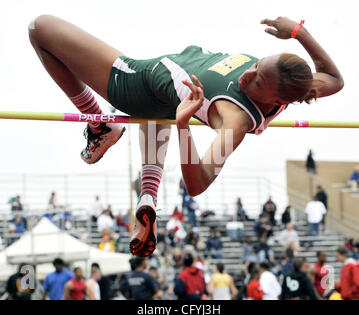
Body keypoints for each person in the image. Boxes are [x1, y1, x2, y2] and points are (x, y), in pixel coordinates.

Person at [29, 15, 344, 257]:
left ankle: (100, 125)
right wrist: (298, 32)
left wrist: (183, 126)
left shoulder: (235, 120)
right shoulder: (296, 85)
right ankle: (147, 198)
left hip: (138, 82)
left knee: (40, 29)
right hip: (167, 95)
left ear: (278, 101)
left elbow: (198, 183)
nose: (249, 74)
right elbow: (333, 78)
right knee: (160, 110)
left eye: (258, 80)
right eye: (258, 66)